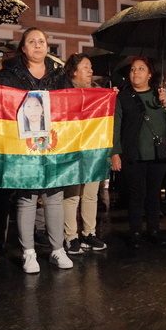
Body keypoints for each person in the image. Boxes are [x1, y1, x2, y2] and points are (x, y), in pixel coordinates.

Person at [0, 27, 74, 273]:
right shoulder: (8, 73)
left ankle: (57, 250)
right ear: (24, 48)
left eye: (42, 41)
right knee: (27, 198)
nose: (38, 45)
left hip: (53, 142)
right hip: (21, 142)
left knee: (54, 196)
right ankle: (28, 252)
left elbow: (71, 102)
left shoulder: (60, 74)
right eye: (32, 41)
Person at [111, 57, 166, 249]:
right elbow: (115, 125)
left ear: (150, 74)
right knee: (136, 194)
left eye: (141, 69)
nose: (136, 73)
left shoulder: (159, 95)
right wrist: (115, 152)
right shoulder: (123, 97)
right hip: (133, 154)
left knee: (154, 194)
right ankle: (135, 231)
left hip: (159, 154)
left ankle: (153, 230)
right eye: (133, 69)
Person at [62, 53, 107, 254]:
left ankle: (89, 233)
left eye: (91, 67)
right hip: (72, 150)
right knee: (72, 195)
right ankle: (71, 237)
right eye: (86, 67)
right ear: (74, 72)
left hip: (93, 150)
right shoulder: (64, 93)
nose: (90, 70)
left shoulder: (99, 93)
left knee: (90, 195)